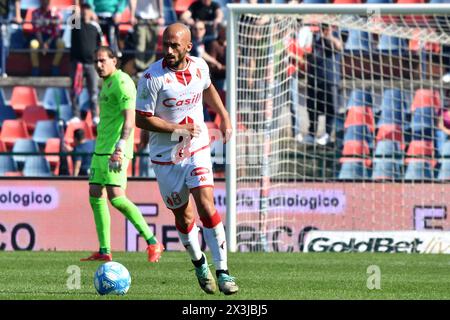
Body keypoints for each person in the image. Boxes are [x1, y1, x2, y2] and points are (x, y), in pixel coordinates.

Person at [135, 23, 238, 295]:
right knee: (183, 216)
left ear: (188, 47)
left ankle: (224, 271)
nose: (168, 50)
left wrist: (224, 117)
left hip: (197, 145)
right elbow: (141, 119)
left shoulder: (200, 67)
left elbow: (208, 89)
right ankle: (199, 263)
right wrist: (175, 129)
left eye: (174, 45)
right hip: (165, 157)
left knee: (206, 202)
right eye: (165, 45)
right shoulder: (150, 78)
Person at [81, 46, 163, 262]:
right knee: (95, 192)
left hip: (114, 149)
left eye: (102, 61)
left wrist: (120, 146)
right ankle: (104, 250)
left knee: (116, 197)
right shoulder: (107, 83)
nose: (98, 65)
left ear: (114, 61)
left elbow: (130, 118)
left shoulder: (122, 81)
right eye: (96, 62)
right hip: (101, 149)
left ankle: (153, 241)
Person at [299, 23, 343, 146]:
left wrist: (329, 36)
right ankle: (312, 133)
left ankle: (327, 134)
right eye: (322, 27)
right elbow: (306, 52)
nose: (324, 30)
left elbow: (339, 47)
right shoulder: (314, 37)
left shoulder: (335, 34)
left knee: (331, 108)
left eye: (326, 27)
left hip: (330, 79)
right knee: (312, 108)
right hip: (314, 77)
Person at [69, 3, 104, 125]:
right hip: (77, 63)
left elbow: (101, 44)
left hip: (91, 64)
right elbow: (73, 16)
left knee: (93, 91)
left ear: (91, 12)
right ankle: (75, 115)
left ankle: (95, 115)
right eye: (83, 9)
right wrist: (76, 8)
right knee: (75, 90)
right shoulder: (75, 26)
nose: (85, 12)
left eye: (87, 9)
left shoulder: (95, 27)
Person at [29, 0, 65, 76]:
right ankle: (35, 68)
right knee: (33, 44)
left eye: (47, 1)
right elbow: (36, 30)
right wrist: (42, 44)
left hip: (52, 38)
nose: (45, 2)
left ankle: (55, 66)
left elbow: (56, 30)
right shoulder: (35, 13)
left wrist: (47, 43)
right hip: (40, 38)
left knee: (61, 43)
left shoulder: (55, 13)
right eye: (43, 1)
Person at [129, 0, 165, 74]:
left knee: (152, 45)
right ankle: (140, 69)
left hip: (154, 18)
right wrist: (132, 15)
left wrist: (161, 15)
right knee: (140, 45)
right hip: (140, 17)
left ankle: (150, 69)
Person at [0, 0, 22, 77]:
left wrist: (18, 15)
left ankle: (2, 70)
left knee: (5, 44)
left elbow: (17, 1)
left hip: (6, 18)